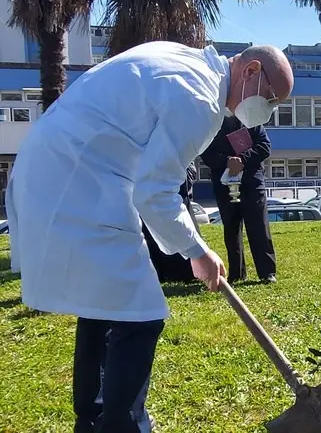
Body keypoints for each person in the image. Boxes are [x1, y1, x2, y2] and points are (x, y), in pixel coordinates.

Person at [5, 41, 293, 432]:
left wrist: (192, 247)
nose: (267, 111)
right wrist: (197, 251)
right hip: (80, 180)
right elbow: (155, 192)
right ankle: (121, 425)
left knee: (104, 305)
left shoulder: (187, 63)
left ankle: (92, 421)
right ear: (251, 70)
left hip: (63, 168)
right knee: (141, 315)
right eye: (270, 99)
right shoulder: (200, 98)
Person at [200, 116, 278, 283]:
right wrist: (227, 161)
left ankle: (267, 272)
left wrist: (242, 159)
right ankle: (236, 273)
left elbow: (264, 146)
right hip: (224, 184)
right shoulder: (212, 123)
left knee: (259, 227)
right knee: (231, 229)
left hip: (252, 182)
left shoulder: (252, 120)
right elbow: (205, 153)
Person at [146, 163, 201, 283]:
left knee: (180, 230)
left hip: (176, 194)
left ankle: (187, 272)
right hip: (152, 194)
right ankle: (161, 272)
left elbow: (189, 168)